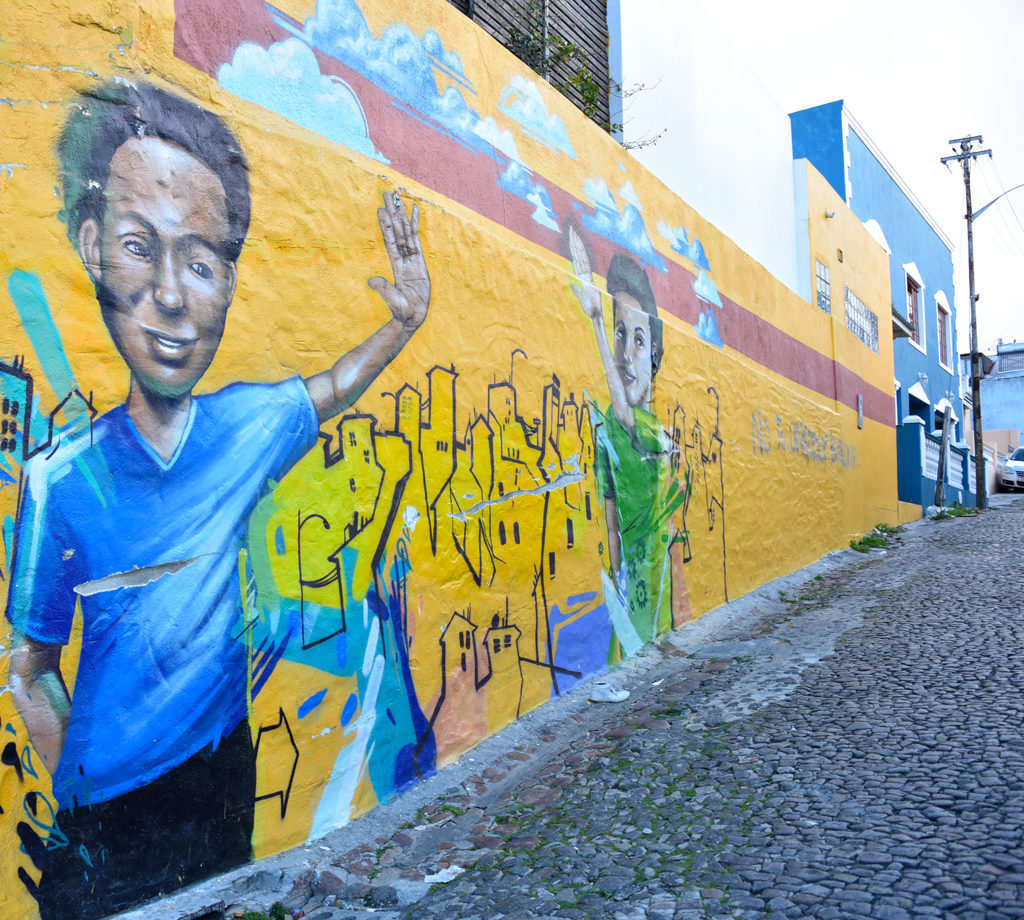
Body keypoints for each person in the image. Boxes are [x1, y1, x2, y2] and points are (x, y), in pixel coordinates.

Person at [5, 78, 430, 918]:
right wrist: (82, 787)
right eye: (137, 246)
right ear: (90, 246)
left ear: (230, 285)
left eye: (200, 262)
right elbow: (30, 671)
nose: (171, 294)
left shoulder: (251, 423)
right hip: (102, 822)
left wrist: (404, 323)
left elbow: (335, 385)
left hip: (221, 776)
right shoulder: (61, 480)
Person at [569, 227, 686, 657]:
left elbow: (623, 409)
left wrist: (597, 320)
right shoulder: (608, 433)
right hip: (630, 608)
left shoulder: (653, 434)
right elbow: (612, 520)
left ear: (655, 354)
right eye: (620, 333)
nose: (626, 352)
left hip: (656, 605)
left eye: (639, 339)